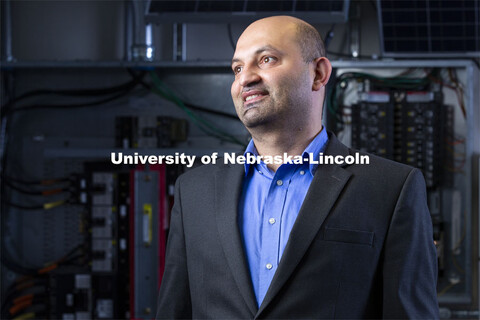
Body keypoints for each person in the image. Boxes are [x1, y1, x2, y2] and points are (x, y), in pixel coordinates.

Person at [156, 16, 439, 319]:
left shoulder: (391, 188)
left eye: (266, 60)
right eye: (237, 68)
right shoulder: (193, 192)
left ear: (318, 73)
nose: (245, 78)